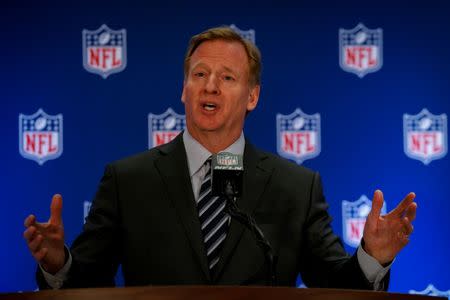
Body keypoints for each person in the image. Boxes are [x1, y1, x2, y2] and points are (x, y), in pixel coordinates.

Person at [23, 26, 417, 289]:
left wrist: (371, 257)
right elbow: (88, 281)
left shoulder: (295, 187)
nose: (210, 85)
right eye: (199, 74)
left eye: (227, 77)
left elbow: (332, 285)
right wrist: (58, 263)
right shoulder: (128, 180)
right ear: (184, 89)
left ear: (252, 96)